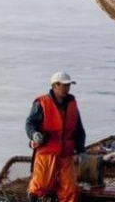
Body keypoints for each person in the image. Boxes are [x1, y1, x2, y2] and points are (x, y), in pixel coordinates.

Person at [26, 72, 86, 202]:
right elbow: (30, 123)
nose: (67, 88)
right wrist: (34, 134)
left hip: (65, 154)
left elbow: (79, 129)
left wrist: (81, 150)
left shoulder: (72, 104)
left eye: (68, 85)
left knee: (70, 189)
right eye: (64, 85)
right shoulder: (41, 103)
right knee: (40, 184)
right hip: (47, 151)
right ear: (55, 86)